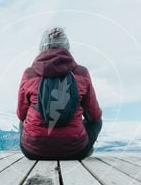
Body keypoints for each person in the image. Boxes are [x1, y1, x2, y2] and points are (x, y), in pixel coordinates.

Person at [17, 27, 103, 160]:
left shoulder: (29, 74)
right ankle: (85, 148)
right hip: (75, 149)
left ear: (42, 47)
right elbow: (94, 115)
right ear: (67, 47)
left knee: (23, 121)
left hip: (33, 150)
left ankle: (34, 143)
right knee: (97, 121)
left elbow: (21, 114)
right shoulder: (81, 72)